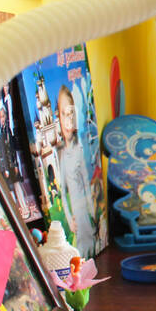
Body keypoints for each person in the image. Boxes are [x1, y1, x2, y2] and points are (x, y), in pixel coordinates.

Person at [54, 85, 96, 258]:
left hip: (86, 209)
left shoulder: (80, 148)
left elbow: (86, 182)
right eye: (64, 114)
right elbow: (63, 192)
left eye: (70, 114)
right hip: (77, 216)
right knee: (81, 251)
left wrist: (92, 211)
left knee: (92, 245)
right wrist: (69, 216)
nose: (68, 120)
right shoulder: (62, 155)